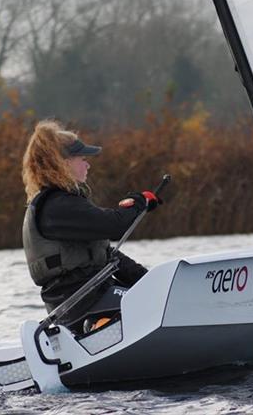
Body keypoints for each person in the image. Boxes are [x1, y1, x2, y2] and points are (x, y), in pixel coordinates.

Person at [20, 119, 161, 332]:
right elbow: (115, 226)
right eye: (82, 159)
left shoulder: (64, 204)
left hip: (95, 296)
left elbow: (107, 256)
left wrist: (153, 283)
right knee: (153, 306)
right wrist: (138, 203)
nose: (88, 164)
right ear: (62, 162)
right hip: (80, 305)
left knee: (155, 297)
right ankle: (101, 329)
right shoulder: (57, 207)